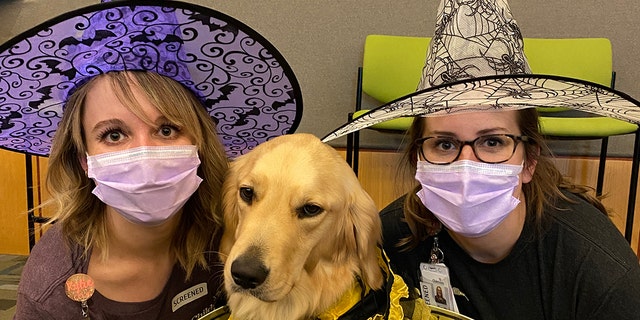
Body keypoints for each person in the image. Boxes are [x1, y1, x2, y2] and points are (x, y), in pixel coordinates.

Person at [321, 0, 640, 319]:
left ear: (529, 161)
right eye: (445, 144)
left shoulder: (600, 275)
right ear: (419, 157)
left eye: (492, 141)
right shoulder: (392, 241)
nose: (466, 166)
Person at [0, 1, 301, 319]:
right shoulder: (50, 288)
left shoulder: (233, 238)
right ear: (84, 160)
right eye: (114, 135)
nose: (145, 154)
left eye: (168, 129)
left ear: (200, 142)